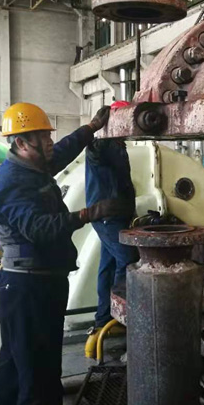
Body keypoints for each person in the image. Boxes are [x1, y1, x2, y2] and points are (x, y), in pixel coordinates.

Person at [0, 102, 125, 405]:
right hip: (27, 289)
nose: (50, 142)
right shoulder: (12, 182)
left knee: (15, 374)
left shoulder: (31, 166)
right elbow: (40, 229)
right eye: (42, 137)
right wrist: (90, 212)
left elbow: (61, 152)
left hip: (33, 285)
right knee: (38, 379)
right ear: (21, 142)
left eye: (49, 135)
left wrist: (91, 128)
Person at [83, 111, 138, 358]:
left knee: (108, 265)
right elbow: (94, 154)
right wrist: (96, 129)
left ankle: (104, 317)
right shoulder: (102, 146)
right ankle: (121, 316)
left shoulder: (118, 146)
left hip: (116, 215)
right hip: (108, 216)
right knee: (127, 260)